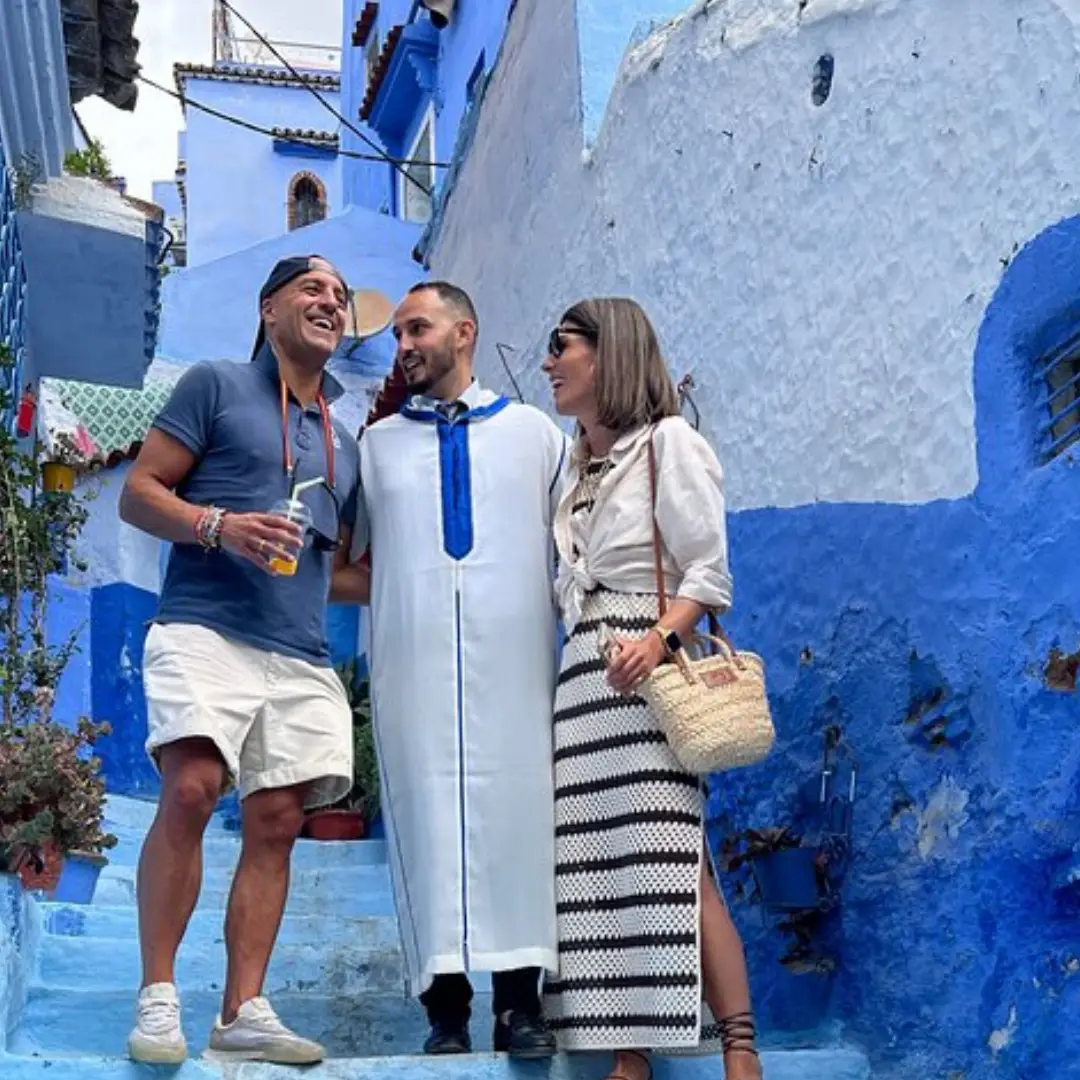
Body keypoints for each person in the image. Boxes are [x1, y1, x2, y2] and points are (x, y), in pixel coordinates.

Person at [119, 255, 365, 1066]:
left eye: (339, 296)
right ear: (268, 311)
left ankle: (241, 1011)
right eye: (312, 289)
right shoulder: (215, 385)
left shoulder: (346, 442)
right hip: (205, 626)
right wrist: (220, 527)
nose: (331, 301)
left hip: (299, 653)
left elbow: (344, 570)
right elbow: (139, 492)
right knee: (192, 787)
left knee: (279, 821)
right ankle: (159, 996)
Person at [540, 298, 762, 1080]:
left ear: (609, 355)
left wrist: (660, 640)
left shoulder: (670, 444)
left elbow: (708, 570)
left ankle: (740, 1047)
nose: (548, 363)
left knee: (673, 858)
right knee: (595, 867)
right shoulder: (573, 467)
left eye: (561, 346)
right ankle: (627, 1054)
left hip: (650, 668)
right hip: (583, 678)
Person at [346, 281, 567, 1058]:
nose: (404, 346)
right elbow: (344, 563)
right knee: (426, 824)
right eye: (399, 335)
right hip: (411, 668)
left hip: (518, 667)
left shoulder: (538, 436)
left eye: (418, 329)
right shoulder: (375, 448)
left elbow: (579, 551)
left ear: (464, 331)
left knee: (520, 821)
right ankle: (445, 1012)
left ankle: (519, 1007)